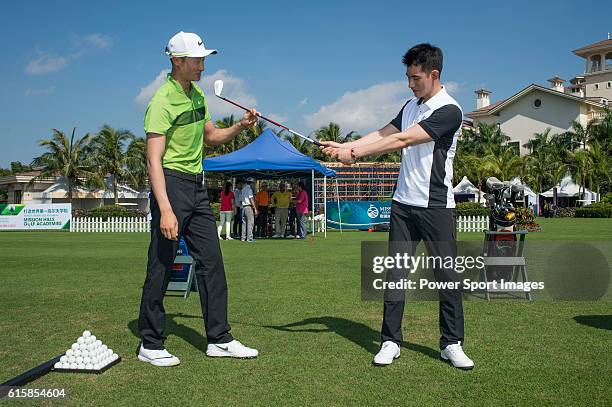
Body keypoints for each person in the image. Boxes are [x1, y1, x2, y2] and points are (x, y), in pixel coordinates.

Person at [320, 43, 474, 370]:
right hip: (403, 204)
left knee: (446, 277)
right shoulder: (410, 106)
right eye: (407, 77)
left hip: (436, 207)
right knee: (395, 276)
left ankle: (451, 343)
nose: (410, 83)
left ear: (434, 75)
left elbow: (401, 141)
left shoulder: (450, 111)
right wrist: (346, 145)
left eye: (415, 78)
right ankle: (390, 340)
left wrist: (357, 155)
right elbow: (383, 132)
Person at [137, 31, 259, 367]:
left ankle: (218, 339)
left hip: (197, 187)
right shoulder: (161, 102)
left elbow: (211, 137)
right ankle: (150, 342)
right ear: (177, 61)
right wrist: (164, 209)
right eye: (197, 60)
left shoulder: (198, 96)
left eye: (204, 59)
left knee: (212, 264)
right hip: (171, 186)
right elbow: (153, 160)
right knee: (161, 264)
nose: (202, 65)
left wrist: (240, 127)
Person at [241, 177, 258, 242]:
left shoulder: (243, 189)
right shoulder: (249, 190)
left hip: (243, 207)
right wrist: (255, 208)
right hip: (248, 207)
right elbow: (251, 199)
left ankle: (243, 238)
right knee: (250, 223)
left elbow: (241, 199)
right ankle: (249, 238)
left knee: (244, 223)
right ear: (252, 183)